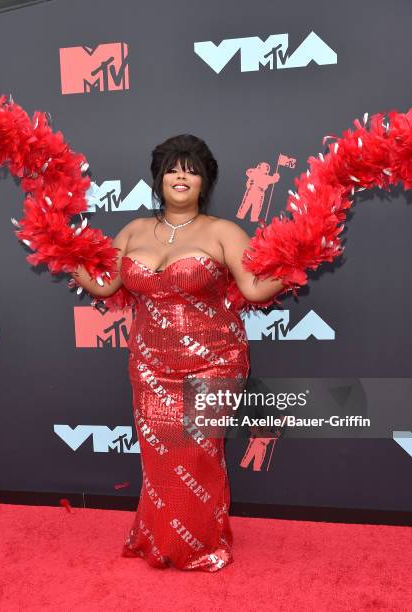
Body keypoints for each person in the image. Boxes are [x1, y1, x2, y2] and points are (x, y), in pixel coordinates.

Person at [71, 134, 285, 572]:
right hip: (150, 366)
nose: (181, 175)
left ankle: (200, 545)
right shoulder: (132, 231)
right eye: (172, 168)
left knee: (197, 456)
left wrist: (296, 257)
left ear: (205, 181)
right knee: (160, 457)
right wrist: (64, 247)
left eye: (191, 168)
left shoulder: (223, 231)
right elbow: (103, 285)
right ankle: (159, 539)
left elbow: (255, 288)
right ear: (159, 179)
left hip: (215, 361)